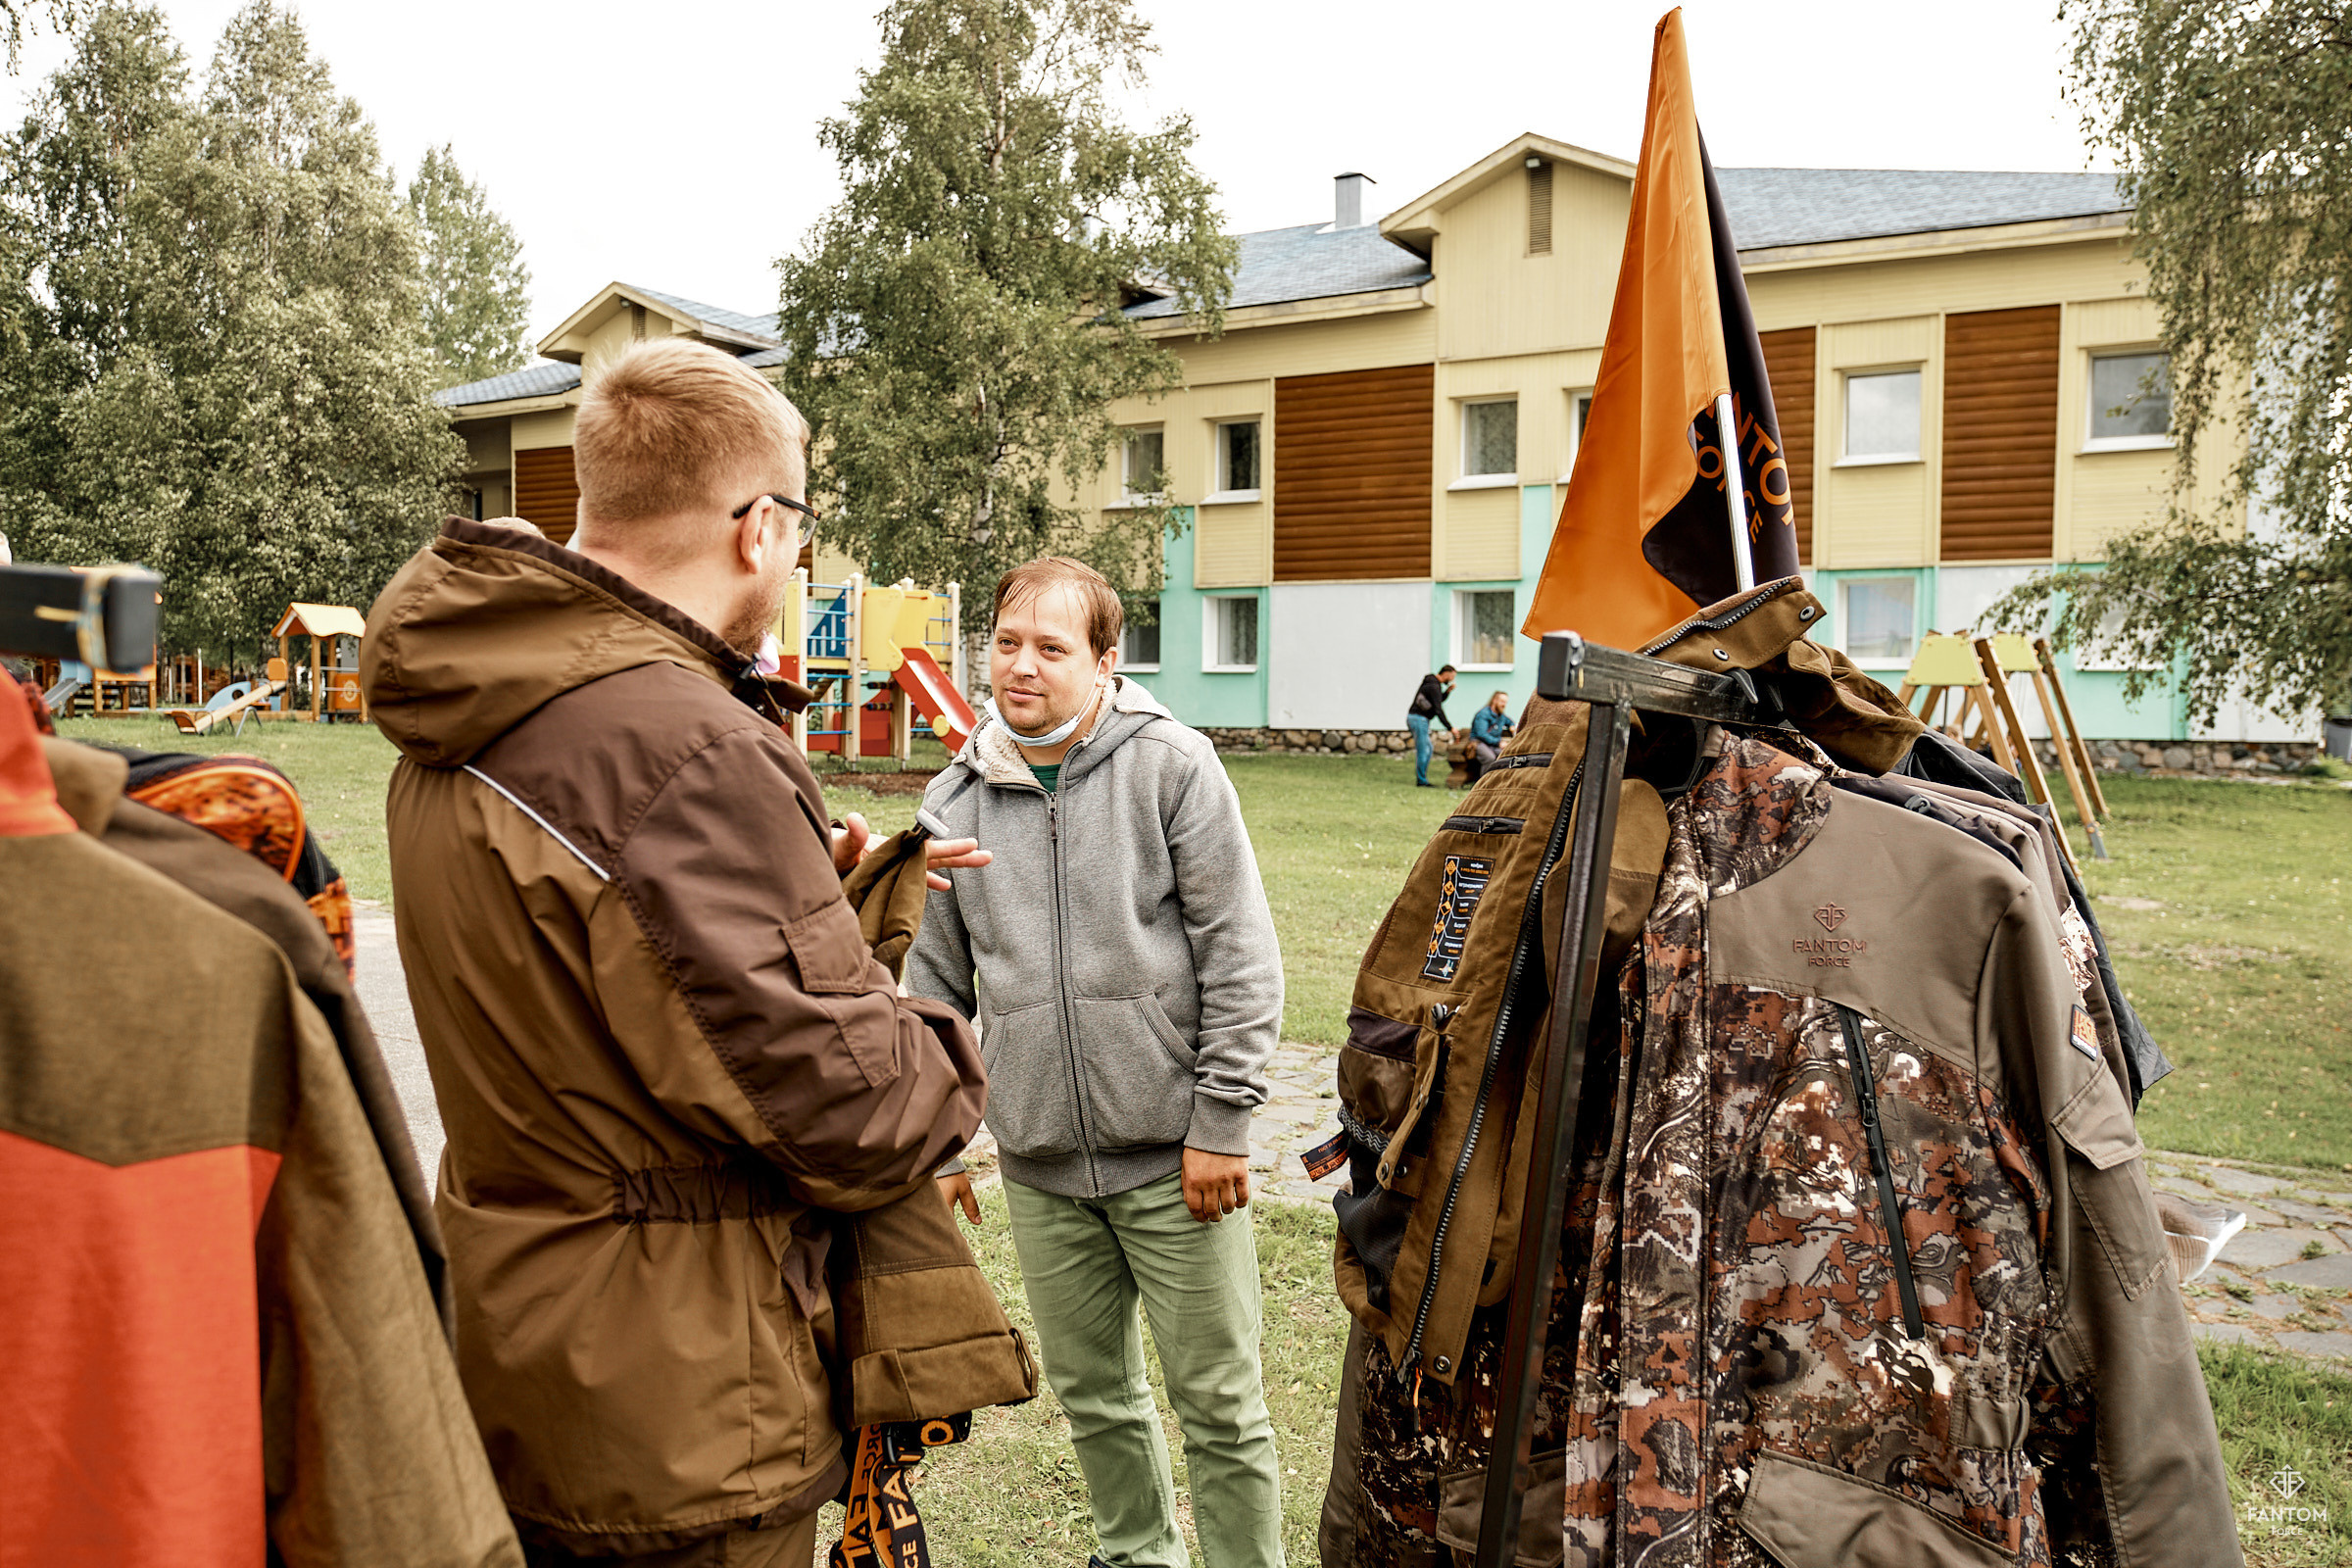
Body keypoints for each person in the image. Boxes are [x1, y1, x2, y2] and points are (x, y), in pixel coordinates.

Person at [361, 338, 993, 1568]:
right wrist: (952, 1050)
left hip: (523, 1332)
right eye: (800, 523)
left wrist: (807, 890)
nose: (799, 554)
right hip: (681, 1399)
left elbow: (611, 976)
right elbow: (855, 1110)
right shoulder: (685, 747)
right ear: (757, 526)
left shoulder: (479, 694)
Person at [909, 557, 1288, 1568]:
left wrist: (1221, 1122)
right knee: (1096, 1401)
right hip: (1038, 1163)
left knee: (1219, 1404)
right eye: (1006, 641)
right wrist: (942, 1144)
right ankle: (1135, 1558)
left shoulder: (1171, 765)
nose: (1021, 665)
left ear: (1106, 660)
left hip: (1177, 1158)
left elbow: (1240, 954)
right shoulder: (951, 802)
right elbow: (931, 992)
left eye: (1051, 646)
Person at [1405, 664, 1458, 787]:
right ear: (1446, 673)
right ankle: (1421, 781)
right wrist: (1450, 728)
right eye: (1451, 676)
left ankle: (1422, 778)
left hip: (1418, 719)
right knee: (1424, 750)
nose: (1451, 679)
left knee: (1428, 749)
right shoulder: (1434, 686)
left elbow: (1436, 701)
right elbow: (1438, 709)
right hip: (1419, 719)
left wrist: (1447, 692)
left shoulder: (1432, 684)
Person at [1466, 688, 1515, 782]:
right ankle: (1483, 784)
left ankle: (1498, 783)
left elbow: (1509, 721)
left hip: (1492, 744)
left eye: (1505, 702)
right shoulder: (1483, 714)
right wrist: (1498, 743)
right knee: (1489, 758)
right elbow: (1481, 734)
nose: (1504, 705)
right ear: (1494, 700)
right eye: (1502, 701)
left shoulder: (1500, 715)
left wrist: (1512, 725)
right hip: (1479, 743)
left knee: (1505, 756)